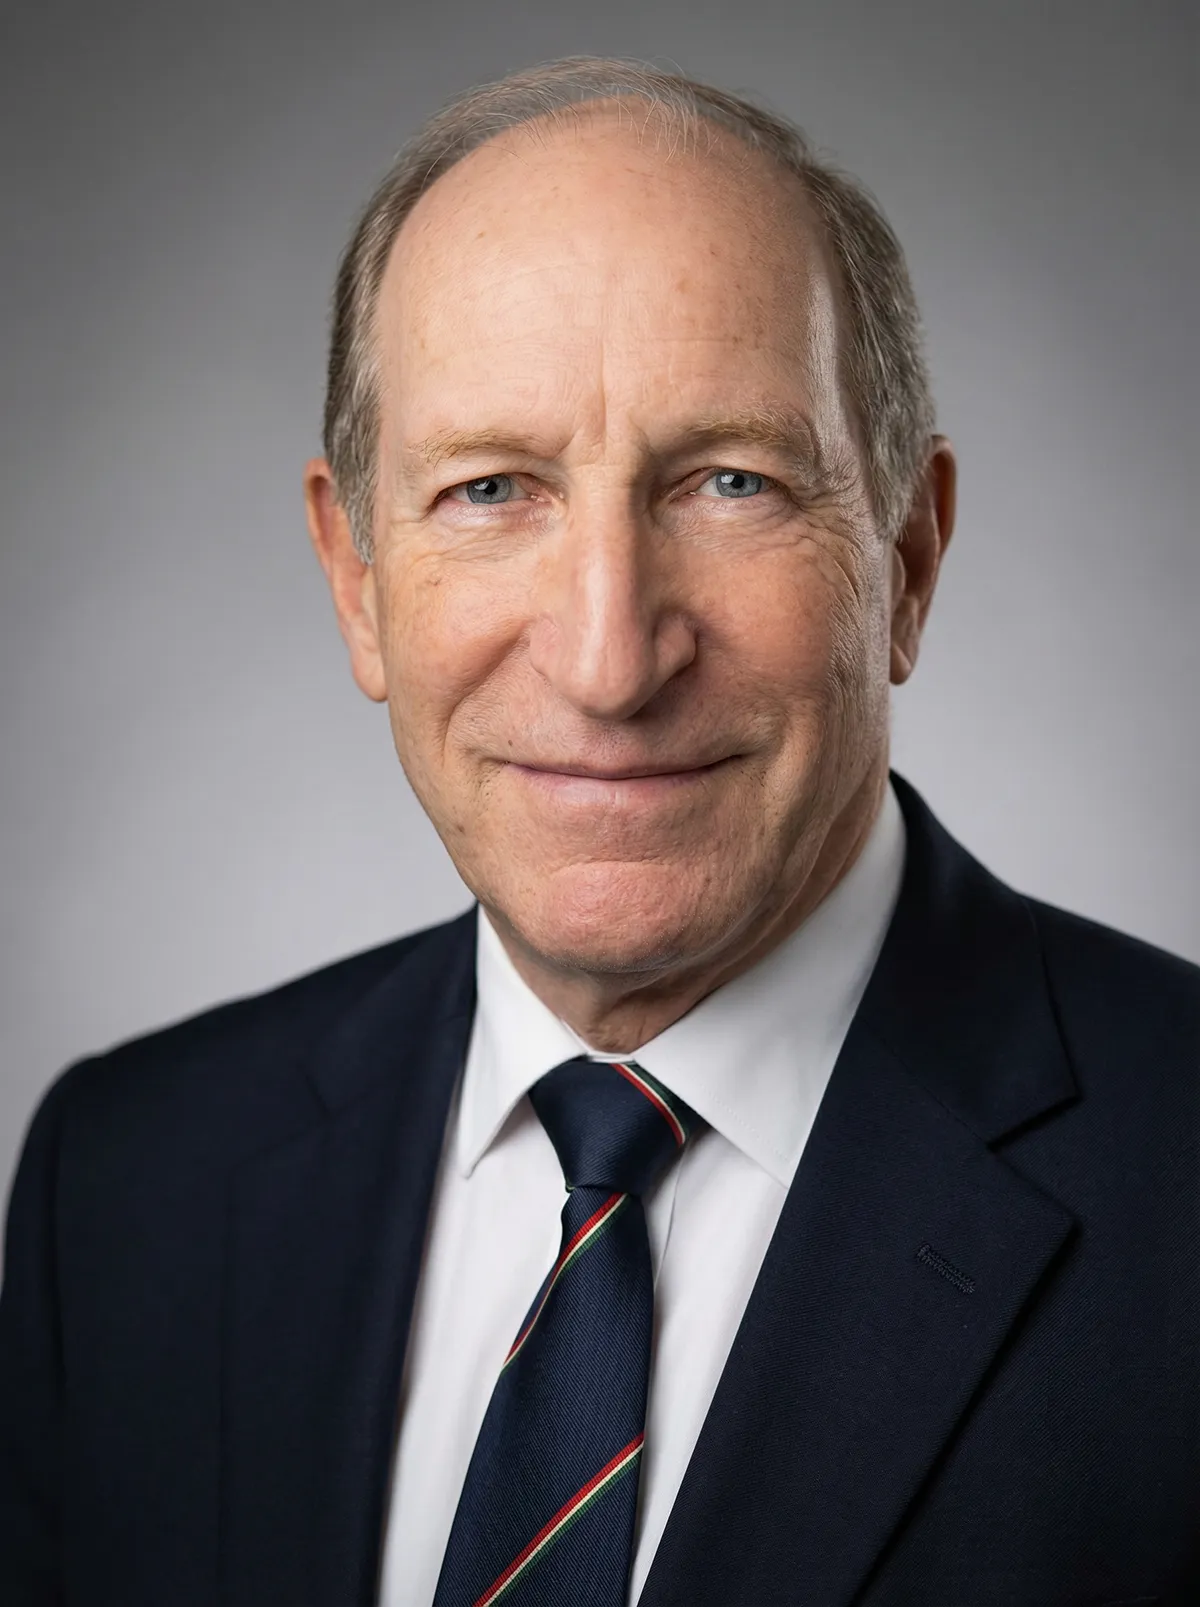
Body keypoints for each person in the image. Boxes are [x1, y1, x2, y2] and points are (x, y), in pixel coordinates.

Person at [1, 55, 1196, 1607]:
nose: (610, 656)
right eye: (493, 488)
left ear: (905, 559)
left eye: (731, 480)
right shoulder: (128, 1185)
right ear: (357, 578)